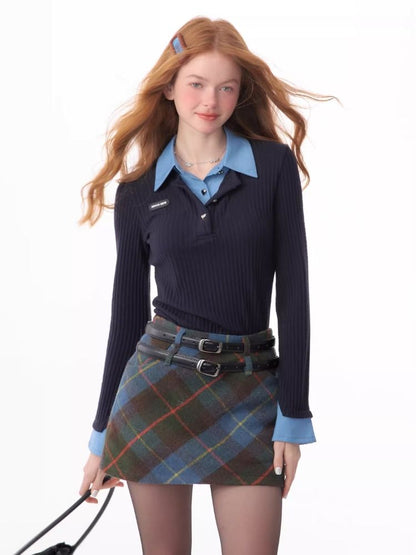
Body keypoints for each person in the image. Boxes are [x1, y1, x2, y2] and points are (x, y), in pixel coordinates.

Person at [78, 16, 338, 554]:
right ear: (169, 87)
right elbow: (126, 319)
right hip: (156, 391)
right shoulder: (138, 192)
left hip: (251, 387)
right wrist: (102, 435)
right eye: (196, 83)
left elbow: (295, 296)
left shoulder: (273, 167)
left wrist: (293, 415)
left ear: (241, 93)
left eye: (226, 87)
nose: (210, 100)